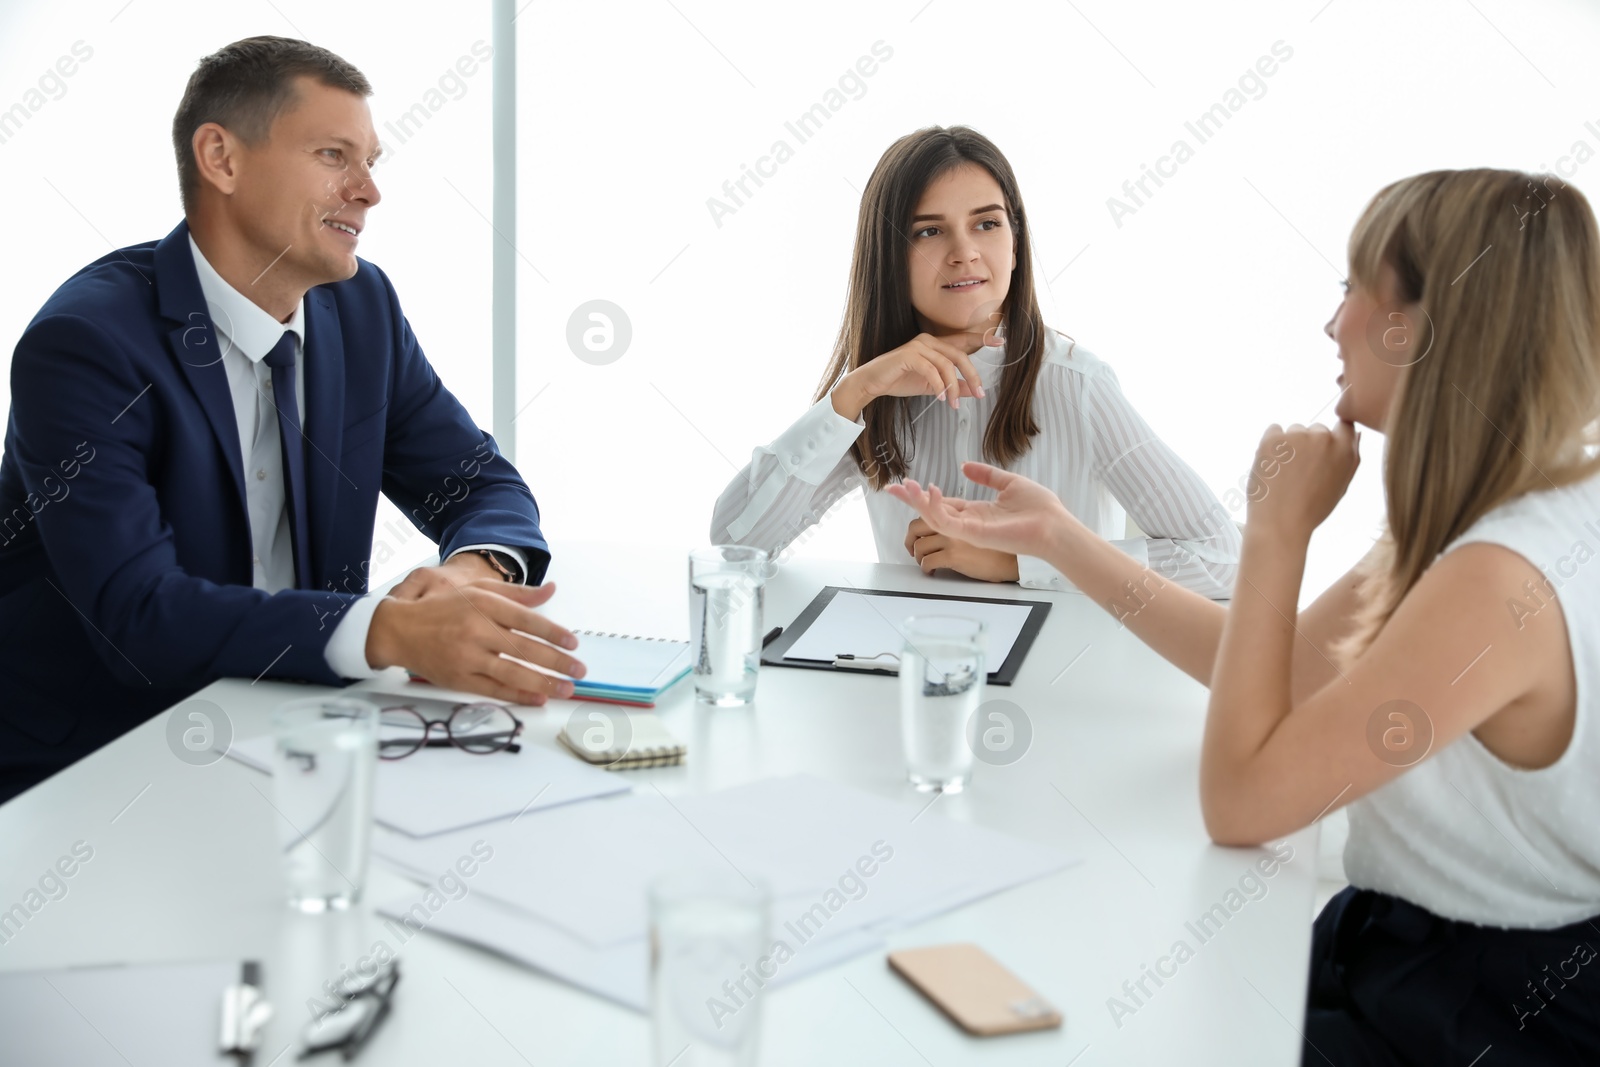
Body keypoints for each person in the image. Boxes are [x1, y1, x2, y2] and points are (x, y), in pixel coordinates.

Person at [889, 168, 1600, 1063]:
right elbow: (1279, 665)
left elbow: (1240, 803)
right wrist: (1063, 539)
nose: (1332, 322)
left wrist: (1276, 532)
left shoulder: (1496, 579)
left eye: (1351, 289)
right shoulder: (1505, 505)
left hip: (1482, 1008)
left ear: (1422, 326)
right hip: (1417, 953)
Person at [0, 37, 585, 802]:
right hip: (96, 764)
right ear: (222, 158)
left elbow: (476, 481)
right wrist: (385, 631)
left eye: (372, 160)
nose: (370, 190)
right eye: (335, 155)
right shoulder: (87, 344)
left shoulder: (361, 307)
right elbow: (137, 615)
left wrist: (470, 574)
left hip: (291, 733)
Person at [709, 125, 1240, 596]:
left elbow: (1222, 557)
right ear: (888, 256)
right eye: (929, 231)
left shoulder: (1078, 385)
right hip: (904, 679)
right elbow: (736, 545)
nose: (964, 251)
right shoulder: (876, 397)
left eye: (986, 224)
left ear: (1015, 241)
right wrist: (851, 394)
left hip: (1054, 689)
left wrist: (1019, 563)